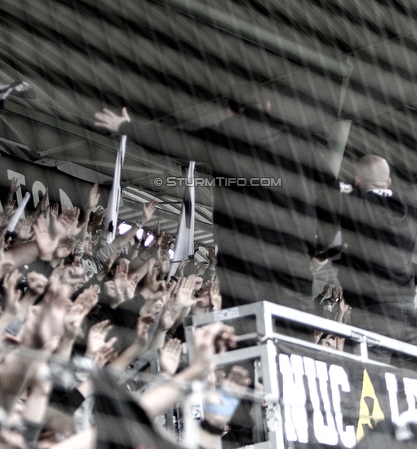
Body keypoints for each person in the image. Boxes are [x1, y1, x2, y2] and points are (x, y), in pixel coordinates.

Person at [94, 87, 332, 310]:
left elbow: (172, 141)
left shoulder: (227, 134)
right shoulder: (303, 142)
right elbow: (332, 196)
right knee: (294, 331)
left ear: (230, 110)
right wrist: (322, 249)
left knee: (246, 326)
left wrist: (127, 126)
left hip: (242, 254)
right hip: (293, 256)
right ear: (267, 106)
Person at [330, 141, 417, 345]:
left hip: (371, 314)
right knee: (410, 376)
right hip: (407, 315)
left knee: (365, 376)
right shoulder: (409, 201)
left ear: (356, 181)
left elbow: (324, 184)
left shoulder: (354, 201)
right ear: (388, 182)